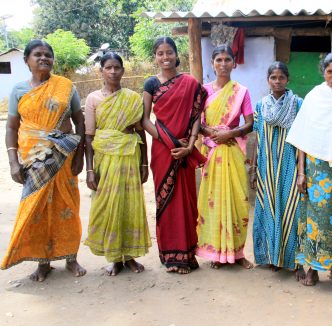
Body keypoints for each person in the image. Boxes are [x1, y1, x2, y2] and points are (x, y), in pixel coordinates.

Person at [2, 40, 86, 281]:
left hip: (63, 156)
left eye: (48, 55)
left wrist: (79, 155)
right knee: (36, 207)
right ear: (26, 60)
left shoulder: (65, 86)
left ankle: (71, 257)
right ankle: (43, 262)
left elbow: (79, 121)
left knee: (67, 207)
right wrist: (13, 162)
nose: (44, 58)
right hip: (33, 158)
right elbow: (11, 127)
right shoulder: (19, 90)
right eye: (37, 54)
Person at [286, 52, 332, 286]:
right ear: (323, 72)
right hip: (314, 169)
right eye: (330, 72)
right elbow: (301, 137)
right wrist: (301, 172)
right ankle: (312, 268)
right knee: (312, 219)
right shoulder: (314, 97)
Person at [142, 37, 207, 274]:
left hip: (184, 148)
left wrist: (190, 146)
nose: (165, 57)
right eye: (160, 53)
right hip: (163, 149)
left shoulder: (190, 83)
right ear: (155, 56)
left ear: (176, 54)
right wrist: (169, 141)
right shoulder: (150, 84)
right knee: (166, 200)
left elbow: (196, 118)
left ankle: (187, 255)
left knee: (186, 201)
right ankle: (170, 255)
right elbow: (145, 119)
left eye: (169, 52)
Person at [84, 52, 151, 276]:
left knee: (129, 205)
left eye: (117, 67)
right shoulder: (93, 98)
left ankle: (130, 256)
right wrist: (90, 170)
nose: (113, 71)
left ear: (123, 70)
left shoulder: (133, 98)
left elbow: (141, 133)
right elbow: (89, 137)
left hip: (129, 157)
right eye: (108, 67)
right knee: (107, 205)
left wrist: (145, 165)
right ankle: (114, 257)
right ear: (101, 71)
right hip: (104, 158)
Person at [196, 45, 254, 269]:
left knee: (238, 201)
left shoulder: (242, 91)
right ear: (212, 63)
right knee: (213, 202)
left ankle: (238, 253)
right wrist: (213, 133)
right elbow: (198, 123)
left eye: (227, 60)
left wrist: (230, 133)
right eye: (218, 60)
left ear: (234, 63)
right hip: (212, 152)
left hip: (233, 151)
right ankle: (217, 253)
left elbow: (250, 123)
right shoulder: (203, 91)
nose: (223, 64)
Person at [250, 61, 303, 271]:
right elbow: (256, 137)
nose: (277, 81)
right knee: (268, 208)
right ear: (268, 80)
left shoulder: (298, 104)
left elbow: (302, 138)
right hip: (266, 165)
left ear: (287, 79)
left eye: (281, 77)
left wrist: (301, 169)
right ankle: (271, 256)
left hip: (290, 162)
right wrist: (253, 169)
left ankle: (292, 259)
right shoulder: (260, 106)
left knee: (291, 208)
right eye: (273, 77)